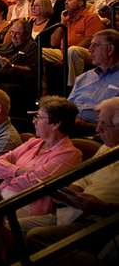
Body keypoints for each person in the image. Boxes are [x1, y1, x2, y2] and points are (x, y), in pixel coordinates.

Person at [23, 98, 119, 262]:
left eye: (104, 124)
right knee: (6, 227)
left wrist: (102, 207)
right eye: (98, 123)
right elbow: (82, 180)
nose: (97, 129)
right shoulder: (106, 148)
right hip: (74, 212)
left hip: (103, 222)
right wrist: (69, 193)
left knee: (35, 236)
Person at [0, 96, 82, 216]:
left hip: (28, 205)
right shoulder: (34, 142)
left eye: (39, 117)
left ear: (56, 124)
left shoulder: (70, 154)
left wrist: (9, 173)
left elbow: (37, 183)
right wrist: (19, 171)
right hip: (3, 194)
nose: (34, 121)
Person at [68, 29, 119, 124]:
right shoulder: (83, 78)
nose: (90, 49)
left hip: (101, 131)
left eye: (95, 45)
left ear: (110, 49)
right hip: (72, 126)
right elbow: (67, 107)